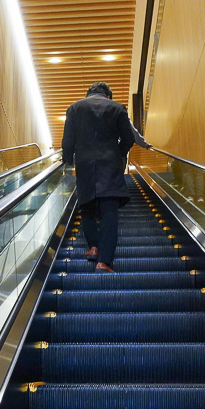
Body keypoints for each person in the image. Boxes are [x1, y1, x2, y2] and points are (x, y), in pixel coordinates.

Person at [61, 82, 142, 273]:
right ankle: (103, 261)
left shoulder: (74, 108)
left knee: (87, 207)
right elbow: (129, 138)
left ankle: (93, 246)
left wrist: (68, 161)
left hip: (85, 166)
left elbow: (68, 141)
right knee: (109, 213)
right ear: (108, 95)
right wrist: (117, 154)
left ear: (89, 93)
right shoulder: (117, 107)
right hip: (110, 167)